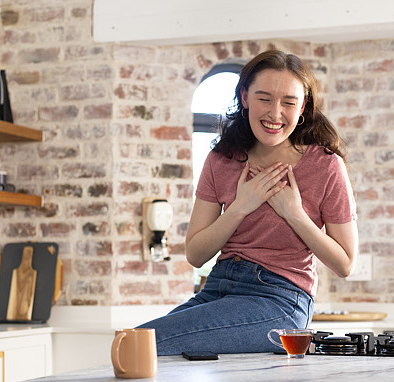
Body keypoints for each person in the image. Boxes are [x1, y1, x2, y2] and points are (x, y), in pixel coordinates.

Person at [138, 50, 358, 355]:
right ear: (244, 97)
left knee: (142, 344)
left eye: (288, 102)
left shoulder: (325, 165)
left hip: (280, 300)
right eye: (264, 98)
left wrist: (294, 214)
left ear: (303, 107)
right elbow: (196, 254)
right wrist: (241, 206)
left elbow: (345, 264)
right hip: (217, 289)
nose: (275, 114)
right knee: (133, 343)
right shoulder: (221, 160)